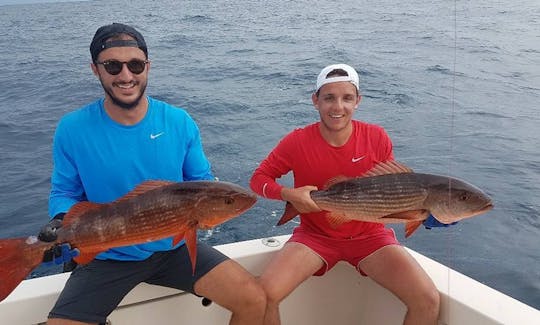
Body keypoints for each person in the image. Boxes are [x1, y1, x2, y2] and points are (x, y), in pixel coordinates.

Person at [38, 23, 266, 325]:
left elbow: (201, 181)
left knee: (254, 299)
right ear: (95, 69)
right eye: (112, 66)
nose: (126, 76)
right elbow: (64, 191)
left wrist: (206, 211)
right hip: (109, 254)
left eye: (135, 65)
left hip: (172, 249)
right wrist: (60, 218)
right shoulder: (72, 128)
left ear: (148, 66)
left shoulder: (178, 121)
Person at [250, 63, 441, 325]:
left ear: (358, 101)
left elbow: (395, 192)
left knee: (428, 299)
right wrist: (288, 194)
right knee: (263, 296)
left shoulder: (377, 137)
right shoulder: (296, 141)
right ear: (315, 101)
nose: (338, 107)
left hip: (371, 236)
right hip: (315, 236)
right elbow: (258, 179)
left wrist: (428, 216)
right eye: (329, 98)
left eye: (347, 98)